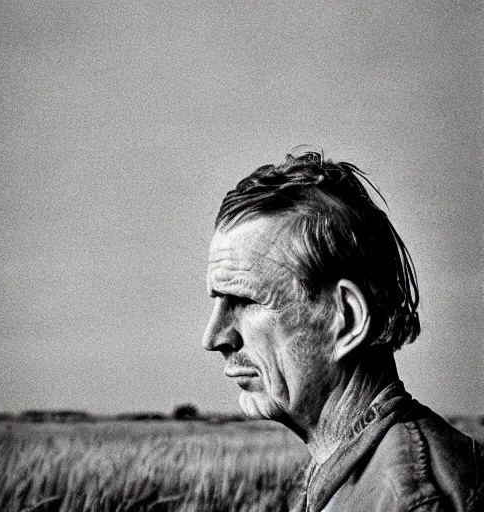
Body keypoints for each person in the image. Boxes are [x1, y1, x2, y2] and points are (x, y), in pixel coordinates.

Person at [202, 147, 484, 511]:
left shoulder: (414, 500)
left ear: (346, 319)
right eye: (216, 301)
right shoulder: (351, 474)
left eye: (245, 301)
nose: (213, 338)